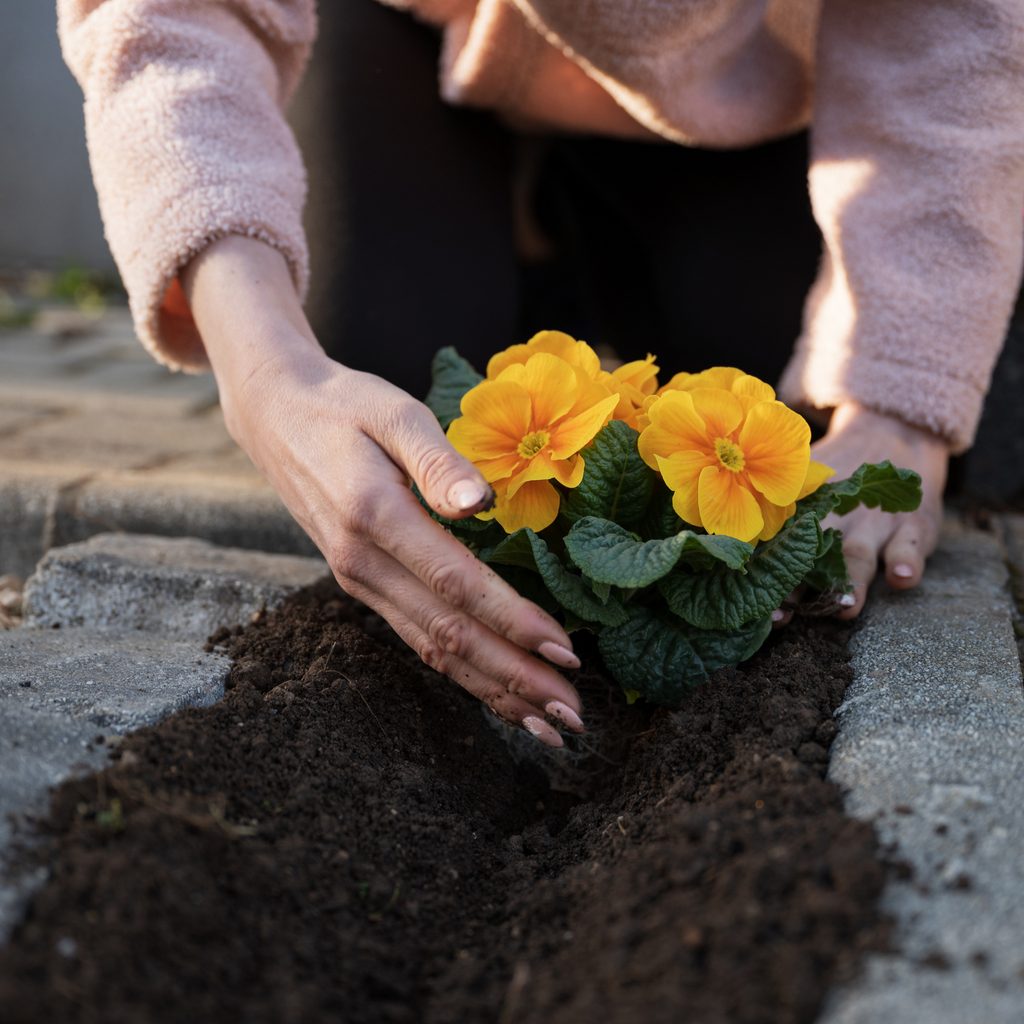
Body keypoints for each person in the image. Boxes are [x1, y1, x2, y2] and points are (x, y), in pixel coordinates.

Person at [58, 0, 1023, 746]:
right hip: (418, 46)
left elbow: (955, 29)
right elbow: (165, 15)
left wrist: (901, 398)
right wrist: (264, 367)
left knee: (801, 418)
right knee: (394, 405)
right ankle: (528, 255)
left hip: (740, 77)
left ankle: (567, 257)